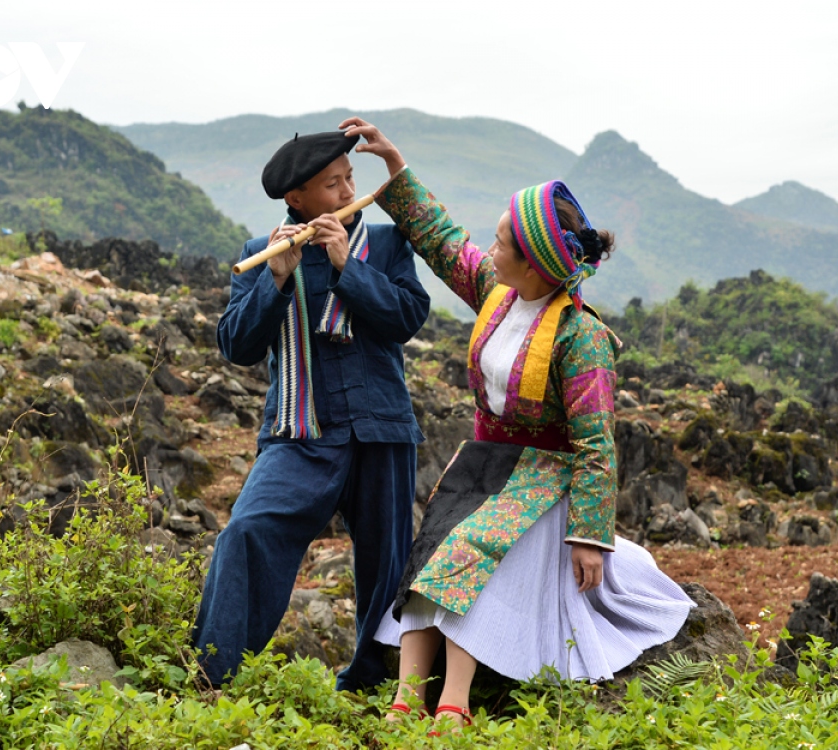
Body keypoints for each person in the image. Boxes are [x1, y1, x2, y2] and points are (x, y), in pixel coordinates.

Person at [339, 116, 697, 732]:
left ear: (532, 265)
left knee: (466, 554)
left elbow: (594, 443)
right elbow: (443, 240)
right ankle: (405, 699)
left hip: (542, 474)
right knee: (428, 560)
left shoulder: (581, 338)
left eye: (503, 241)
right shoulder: (497, 293)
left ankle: (453, 703)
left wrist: (589, 535)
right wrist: (396, 173)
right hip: (482, 464)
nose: (490, 248)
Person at [193, 131, 431, 690]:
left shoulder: (389, 246)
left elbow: (406, 318)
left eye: (350, 177)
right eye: (334, 184)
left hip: (381, 427)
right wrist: (276, 278)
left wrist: (351, 266)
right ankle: (213, 676)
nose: (350, 189)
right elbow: (237, 346)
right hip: (299, 432)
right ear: (297, 199)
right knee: (247, 532)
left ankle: (373, 682)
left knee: (387, 565)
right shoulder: (265, 251)